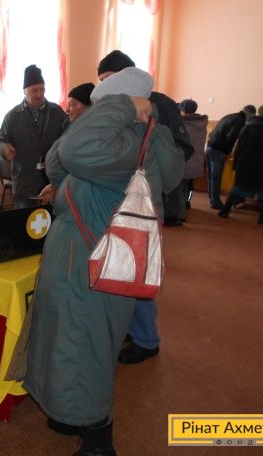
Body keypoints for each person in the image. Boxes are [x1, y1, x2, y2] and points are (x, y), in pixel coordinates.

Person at [24, 67, 183, 455]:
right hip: (84, 258)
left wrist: (121, 107)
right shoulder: (120, 139)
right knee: (69, 342)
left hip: (92, 264)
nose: (89, 113)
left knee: (84, 347)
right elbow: (57, 164)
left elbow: (71, 153)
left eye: (101, 105)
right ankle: (69, 411)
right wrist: (89, 120)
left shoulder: (127, 141)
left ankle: (97, 437)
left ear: (123, 105)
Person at [96, 50, 191, 364]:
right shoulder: (128, 118)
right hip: (121, 208)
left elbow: (174, 172)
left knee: (138, 274)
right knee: (121, 270)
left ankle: (147, 340)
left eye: (110, 81)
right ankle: (131, 330)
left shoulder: (157, 118)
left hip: (142, 211)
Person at [98, 50, 193, 226]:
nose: (105, 86)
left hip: (148, 193)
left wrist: (158, 179)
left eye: (109, 79)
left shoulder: (162, 104)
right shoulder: (108, 107)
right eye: (101, 81)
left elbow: (180, 147)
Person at [0, 65, 67, 208]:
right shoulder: (12, 117)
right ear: (24, 91)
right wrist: (4, 149)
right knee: (24, 220)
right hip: (24, 185)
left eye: (42, 89)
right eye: (35, 90)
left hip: (52, 183)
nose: (39, 94)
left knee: (53, 219)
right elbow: (0, 141)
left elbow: (69, 138)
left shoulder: (57, 112)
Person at [218, 103, 263, 224]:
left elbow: (239, 147)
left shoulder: (248, 126)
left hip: (247, 162)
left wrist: (236, 164)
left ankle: (225, 210)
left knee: (239, 186)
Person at [38, 82, 95, 205]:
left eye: (71, 105)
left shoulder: (95, 135)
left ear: (88, 106)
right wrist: (54, 186)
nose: (67, 110)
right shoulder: (70, 125)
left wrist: (59, 189)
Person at [205, 104, 256, 209]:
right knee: (216, 178)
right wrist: (227, 152)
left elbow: (213, 132)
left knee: (211, 177)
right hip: (218, 150)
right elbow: (231, 137)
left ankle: (212, 199)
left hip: (209, 146)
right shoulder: (240, 121)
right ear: (250, 115)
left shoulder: (229, 116)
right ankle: (215, 202)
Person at [179, 99, 208, 210]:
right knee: (189, 184)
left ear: (183, 110)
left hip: (183, 159)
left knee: (178, 186)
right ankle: (186, 202)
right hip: (196, 160)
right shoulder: (202, 122)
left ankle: (179, 209)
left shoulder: (182, 122)